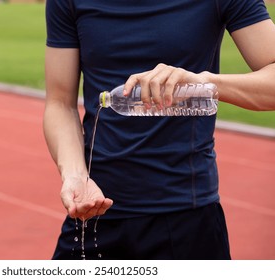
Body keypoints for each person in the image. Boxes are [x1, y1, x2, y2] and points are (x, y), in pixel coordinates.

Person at [43, 0, 275, 260]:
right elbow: (60, 103)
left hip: (187, 218)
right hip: (93, 209)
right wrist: (74, 174)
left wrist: (205, 82)